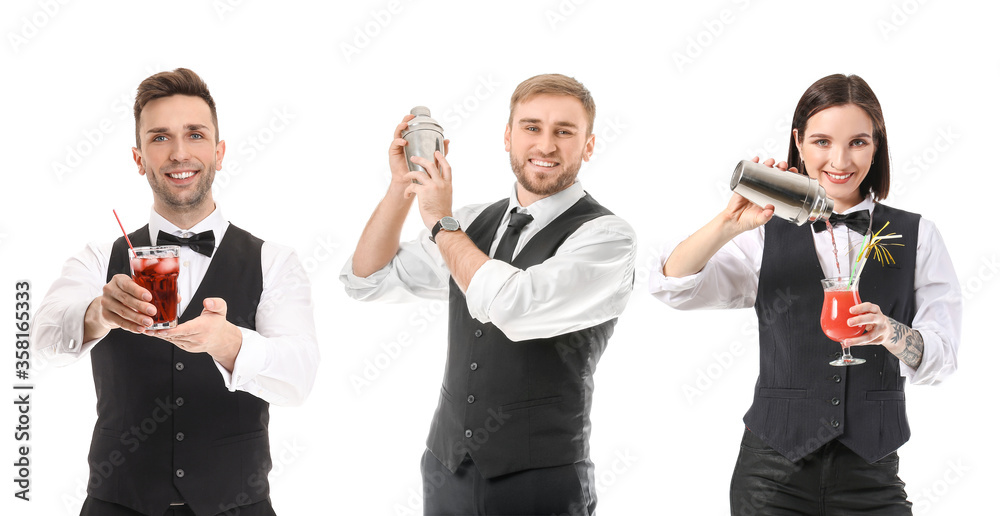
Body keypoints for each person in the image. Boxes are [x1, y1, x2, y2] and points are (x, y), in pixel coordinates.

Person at [650, 74, 961, 515]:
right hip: (772, 477)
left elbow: (943, 358)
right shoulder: (762, 232)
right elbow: (673, 285)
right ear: (798, 142)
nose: (839, 159)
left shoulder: (918, 235)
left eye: (857, 142)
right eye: (821, 142)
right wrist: (728, 223)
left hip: (872, 476)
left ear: (877, 145)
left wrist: (891, 332)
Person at [340, 74, 636, 515]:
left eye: (565, 131)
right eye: (531, 127)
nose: (546, 145)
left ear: (589, 145)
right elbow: (367, 279)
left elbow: (512, 307)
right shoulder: (472, 222)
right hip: (447, 469)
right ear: (508, 137)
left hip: (542, 481)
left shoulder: (607, 237)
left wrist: (440, 222)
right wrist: (403, 188)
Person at [33, 68, 319, 516]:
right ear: (139, 157)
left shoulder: (274, 261)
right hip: (117, 504)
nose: (179, 153)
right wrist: (98, 314)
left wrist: (231, 343)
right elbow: (41, 343)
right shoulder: (97, 257)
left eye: (196, 135)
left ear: (220, 152)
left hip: (237, 506)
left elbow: (299, 380)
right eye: (160, 138)